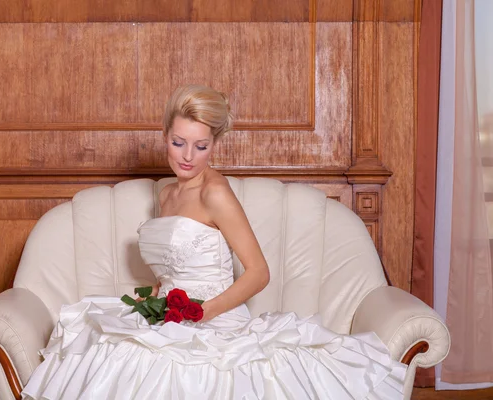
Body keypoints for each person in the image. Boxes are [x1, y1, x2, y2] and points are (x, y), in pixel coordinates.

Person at [22, 85, 406, 399]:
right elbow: (176, 263)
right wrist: (155, 295)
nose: (188, 157)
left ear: (214, 144)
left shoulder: (216, 192)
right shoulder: (167, 193)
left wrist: (202, 313)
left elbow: (259, 273)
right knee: (106, 349)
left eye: (201, 146)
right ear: (164, 136)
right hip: (170, 316)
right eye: (178, 142)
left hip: (216, 319)